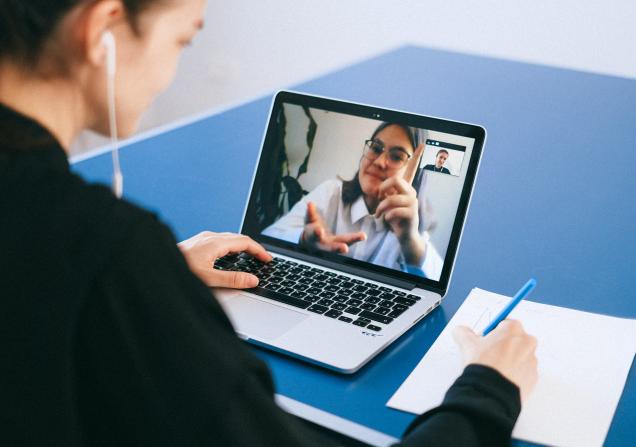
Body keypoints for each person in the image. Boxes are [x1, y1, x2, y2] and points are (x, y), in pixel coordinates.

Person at [0, 1, 538, 446]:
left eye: (395, 155)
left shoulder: (417, 222)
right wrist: (488, 390)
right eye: (182, 42)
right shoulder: (112, 255)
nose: (172, 71)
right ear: (103, 29)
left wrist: (157, 271)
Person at [263, 122, 444, 279]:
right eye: (375, 148)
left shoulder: (410, 226)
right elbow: (269, 236)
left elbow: (438, 284)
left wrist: (409, 240)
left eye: (396, 156)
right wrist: (303, 239)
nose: (380, 162)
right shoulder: (331, 192)